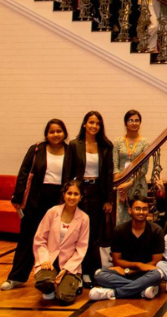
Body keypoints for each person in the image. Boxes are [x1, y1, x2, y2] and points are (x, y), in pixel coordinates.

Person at [2, 119, 74, 291]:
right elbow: (24, 172)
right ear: (46, 134)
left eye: (59, 131)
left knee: (58, 241)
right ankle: (16, 278)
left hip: (60, 200)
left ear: (64, 133)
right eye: (52, 132)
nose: (56, 135)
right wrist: (18, 197)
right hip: (36, 199)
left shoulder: (71, 151)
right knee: (28, 238)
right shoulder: (36, 149)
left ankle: (53, 279)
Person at [88, 194, 164, 300]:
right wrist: (137, 265)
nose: (141, 212)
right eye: (137, 209)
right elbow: (116, 260)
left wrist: (135, 270)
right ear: (130, 210)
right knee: (99, 274)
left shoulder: (156, 231)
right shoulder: (119, 230)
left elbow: (156, 262)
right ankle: (141, 290)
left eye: (144, 209)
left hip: (146, 274)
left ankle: (114, 292)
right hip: (123, 273)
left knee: (158, 274)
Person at [67, 112, 113, 284]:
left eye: (98, 123)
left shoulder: (106, 146)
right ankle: (76, 271)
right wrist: (67, 195)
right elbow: (68, 171)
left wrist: (108, 199)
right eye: (91, 122)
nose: (94, 126)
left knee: (93, 234)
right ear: (85, 124)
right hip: (78, 192)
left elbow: (108, 174)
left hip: (97, 193)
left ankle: (90, 271)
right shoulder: (74, 145)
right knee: (76, 232)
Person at [32, 180, 89, 304]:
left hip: (69, 264)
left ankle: (74, 283)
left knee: (64, 298)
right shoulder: (52, 212)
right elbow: (40, 239)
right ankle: (49, 287)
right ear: (64, 195)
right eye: (69, 193)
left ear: (81, 197)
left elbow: (81, 249)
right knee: (44, 283)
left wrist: (66, 269)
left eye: (76, 194)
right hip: (50, 260)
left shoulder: (84, 218)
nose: (72, 197)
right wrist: (44, 259)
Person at [114, 110, 150, 224]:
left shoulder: (145, 142)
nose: (134, 123)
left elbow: (144, 169)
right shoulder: (118, 142)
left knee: (138, 218)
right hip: (121, 186)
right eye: (131, 120)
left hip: (138, 185)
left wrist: (128, 185)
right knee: (122, 221)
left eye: (137, 120)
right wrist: (121, 186)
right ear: (125, 123)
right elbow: (115, 165)